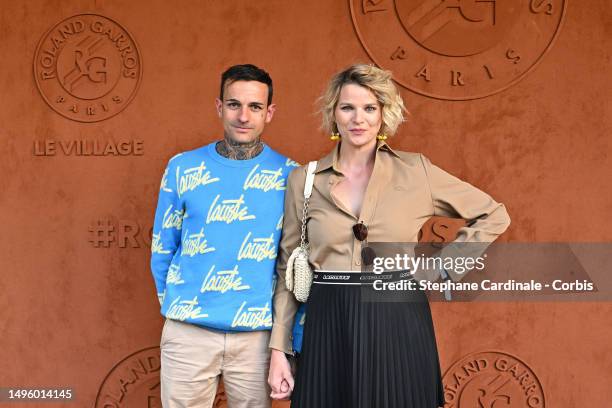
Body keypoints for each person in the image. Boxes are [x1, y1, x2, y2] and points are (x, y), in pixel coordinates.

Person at [268, 64, 511, 407]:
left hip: (397, 319)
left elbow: (493, 213)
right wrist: (279, 349)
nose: (358, 118)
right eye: (347, 107)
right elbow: (287, 273)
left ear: (384, 114)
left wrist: (443, 267)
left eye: (370, 108)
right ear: (333, 114)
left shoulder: (416, 171)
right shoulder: (304, 181)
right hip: (328, 323)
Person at [150, 64, 297, 408]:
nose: (243, 116)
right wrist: (178, 308)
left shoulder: (290, 175)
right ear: (219, 107)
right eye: (234, 104)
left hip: (257, 336)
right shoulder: (182, 167)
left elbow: (291, 263)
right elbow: (162, 246)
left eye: (255, 107)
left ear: (269, 113)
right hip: (189, 330)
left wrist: (283, 340)